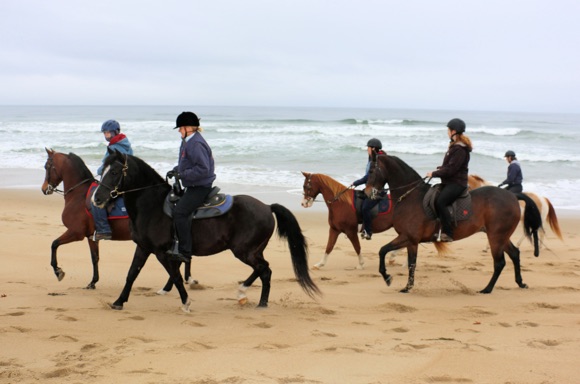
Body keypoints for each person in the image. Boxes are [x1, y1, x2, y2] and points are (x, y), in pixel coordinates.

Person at [166, 112, 216, 263]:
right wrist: (176, 170)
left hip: (200, 187)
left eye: (181, 128)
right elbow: (186, 163)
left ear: (189, 128)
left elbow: (203, 169)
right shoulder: (188, 141)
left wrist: (182, 174)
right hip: (192, 184)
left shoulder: (196, 144)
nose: (179, 131)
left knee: (180, 212)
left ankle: (185, 251)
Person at [426, 118, 472, 242]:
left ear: (454, 132)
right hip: (450, 181)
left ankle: (448, 233)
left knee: (441, 202)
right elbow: (449, 166)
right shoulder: (454, 147)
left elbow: (452, 169)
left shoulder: (460, 149)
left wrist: (434, 173)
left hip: (457, 183)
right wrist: (440, 169)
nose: (447, 132)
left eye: (448, 130)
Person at [91, 119, 133, 241]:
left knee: (97, 200)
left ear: (115, 132)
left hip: (117, 180)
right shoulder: (123, 143)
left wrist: (99, 171)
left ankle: (104, 230)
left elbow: (109, 165)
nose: (106, 135)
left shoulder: (116, 147)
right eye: (104, 133)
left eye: (108, 133)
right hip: (122, 178)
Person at [352, 138, 385, 240]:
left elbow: (369, 177)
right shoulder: (371, 159)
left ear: (373, 148)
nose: (367, 149)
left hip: (377, 190)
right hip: (371, 187)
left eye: (368, 148)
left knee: (366, 207)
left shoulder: (378, 160)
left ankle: (368, 231)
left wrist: (356, 182)